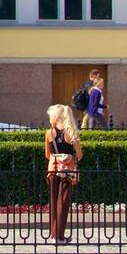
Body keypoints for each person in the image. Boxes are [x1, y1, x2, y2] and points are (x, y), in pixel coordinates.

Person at [43, 104, 81, 244]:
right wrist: (70, 158)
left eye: (50, 117)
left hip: (53, 169)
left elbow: (47, 154)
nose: (49, 120)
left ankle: (53, 235)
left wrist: (57, 158)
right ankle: (59, 236)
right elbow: (80, 154)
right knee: (63, 203)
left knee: (53, 202)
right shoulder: (71, 133)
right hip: (67, 172)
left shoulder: (49, 133)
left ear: (56, 117)